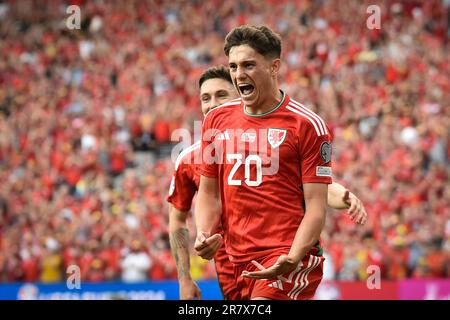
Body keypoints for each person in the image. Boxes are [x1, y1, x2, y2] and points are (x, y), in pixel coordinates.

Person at [172, 64, 367, 299]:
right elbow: (177, 220)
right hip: (230, 269)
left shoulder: (264, 144)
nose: (212, 104)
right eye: (206, 98)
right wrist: (184, 278)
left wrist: (343, 194)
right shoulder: (188, 159)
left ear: (240, 97)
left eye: (221, 95)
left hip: (277, 253)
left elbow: (313, 187)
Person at [194, 25, 340, 300]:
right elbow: (209, 192)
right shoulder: (215, 120)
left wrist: (294, 256)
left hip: (285, 257)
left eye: (249, 65)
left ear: (274, 67)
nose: (239, 75)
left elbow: (316, 207)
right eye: (234, 66)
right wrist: (203, 232)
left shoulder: (307, 125)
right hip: (236, 261)